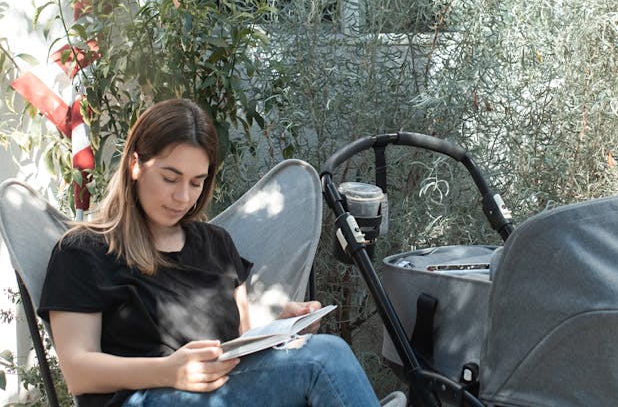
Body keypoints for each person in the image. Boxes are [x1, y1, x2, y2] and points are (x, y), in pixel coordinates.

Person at [38, 98, 395, 407]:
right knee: (324, 360)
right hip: (144, 396)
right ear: (135, 165)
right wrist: (168, 371)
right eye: (170, 178)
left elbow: (238, 339)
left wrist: (282, 321)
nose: (183, 197)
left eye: (197, 182)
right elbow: (78, 371)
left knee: (315, 356)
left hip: (224, 392)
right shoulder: (85, 251)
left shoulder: (215, 244)